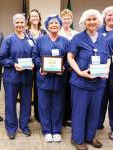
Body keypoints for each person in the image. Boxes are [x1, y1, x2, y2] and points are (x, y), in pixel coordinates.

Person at [67, 9, 110, 150]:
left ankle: (90, 137)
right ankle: (77, 139)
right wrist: (79, 72)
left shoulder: (104, 38)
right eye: (88, 20)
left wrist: (107, 68)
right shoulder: (78, 38)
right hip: (80, 83)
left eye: (94, 19)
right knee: (80, 111)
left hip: (98, 83)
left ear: (99, 21)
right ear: (84, 22)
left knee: (94, 111)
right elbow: (70, 57)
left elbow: (108, 57)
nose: (91, 22)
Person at [32, 14, 70, 142]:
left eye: (56, 23)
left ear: (60, 26)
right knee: (44, 105)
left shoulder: (65, 41)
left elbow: (70, 58)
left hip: (59, 79)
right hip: (44, 78)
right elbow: (35, 56)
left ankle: (56, 130)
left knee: (58, 105)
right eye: (51, 23)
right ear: (47, 26)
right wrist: (40, 66)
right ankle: (47, 130)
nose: (54, 25)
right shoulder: (40, 41)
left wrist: (64, 67)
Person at [0, 14, 34, 139]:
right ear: (14, 24)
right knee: (10, 103)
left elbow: (34, 55)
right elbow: (1, 59)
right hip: (11, 78)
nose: (19, 25)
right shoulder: (8, 39)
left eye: (21, 22)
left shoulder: (30, 40)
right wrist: (13, 64)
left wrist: (34, 63)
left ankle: (24, 126)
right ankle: (11, 128)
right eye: (17, 22)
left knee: (26, 103)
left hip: (27, 77)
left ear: (25, 23)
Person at [26, 9, 47, 122]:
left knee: (39, 91)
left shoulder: (44, 33)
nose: (35, 18)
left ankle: (38, 114)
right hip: (28, 66)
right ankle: (27, 114)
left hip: (40, 66)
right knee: (27, 91)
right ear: (29, 19)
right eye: (32, 16)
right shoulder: (25, 32)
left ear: (39, 18)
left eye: (36, 16)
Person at [98, 6, 113, 130]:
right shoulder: (97, 30)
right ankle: (98, 124)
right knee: (99, 98)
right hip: (98, 70)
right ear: (105, 17)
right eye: (110, 15)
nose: (112, 17)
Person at [59, 9, 78, 127]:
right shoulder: (58, 33)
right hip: (60, 68)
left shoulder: (76, 34)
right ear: (61, 20)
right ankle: (63, 117)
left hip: (73, 69)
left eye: (68, 18)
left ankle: (70, 117)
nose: (66, 20)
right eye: (64, 18)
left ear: (71, 20)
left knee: (72, 93)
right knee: (62, 93)